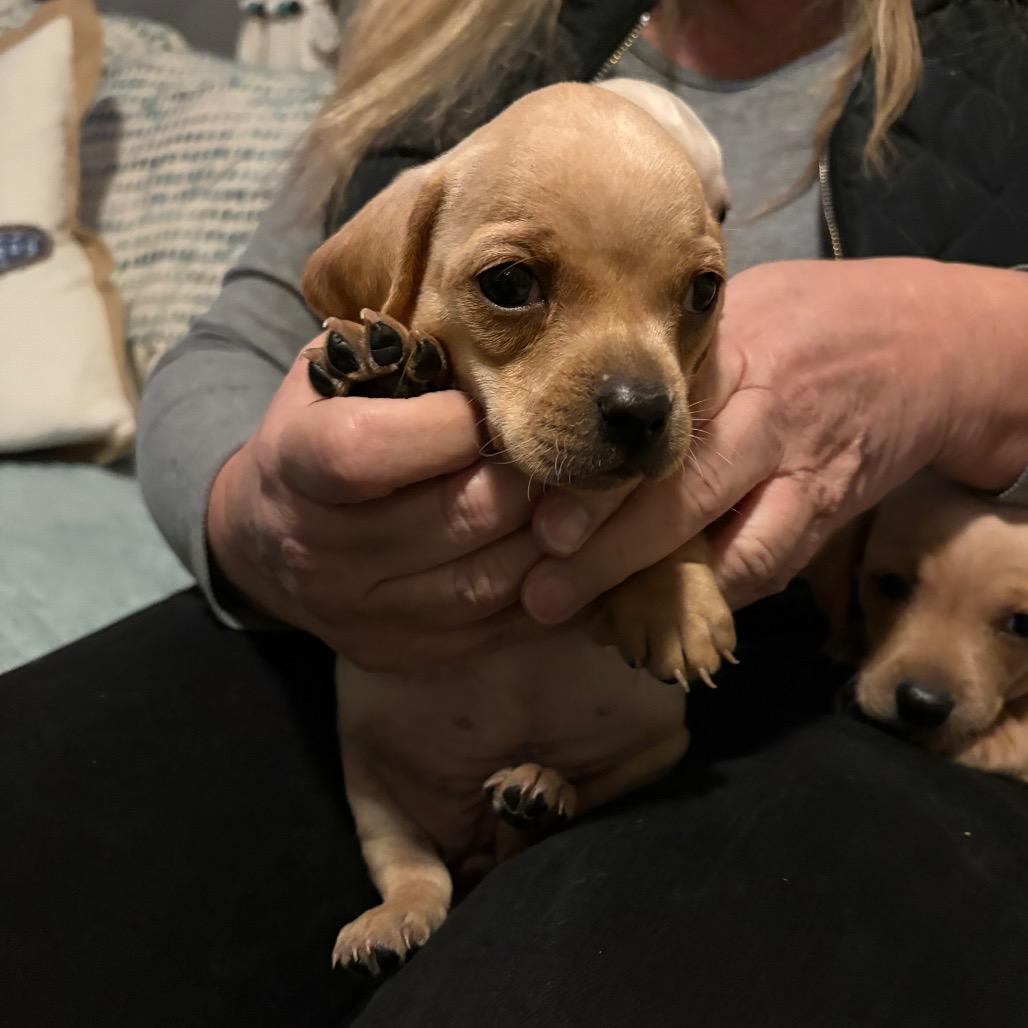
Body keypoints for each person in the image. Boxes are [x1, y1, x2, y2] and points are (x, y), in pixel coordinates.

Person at [3, 1, 1027, 1025]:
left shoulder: (995, 42)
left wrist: (972, 345)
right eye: (513, 283)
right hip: (375, 631)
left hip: (822, 677)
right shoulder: (450, 29)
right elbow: (243, 337)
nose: (637, 382)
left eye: (694, 296)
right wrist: (254, 517)